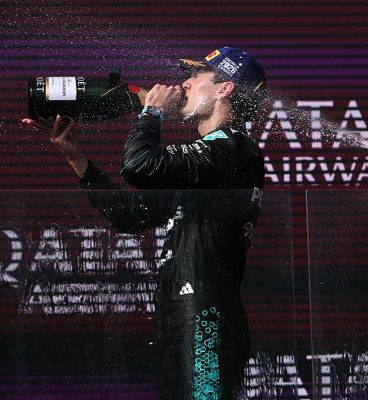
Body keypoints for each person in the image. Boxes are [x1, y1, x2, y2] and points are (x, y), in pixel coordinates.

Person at [23, 46, 267, 400]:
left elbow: (139, 165)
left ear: (224, 89)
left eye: (196, 76)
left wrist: (152, 111)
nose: (185, 84)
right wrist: (75, 156)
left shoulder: (233, 146)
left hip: (206, 313)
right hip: (179, 310)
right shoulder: (209, 164)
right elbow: (128, 214)